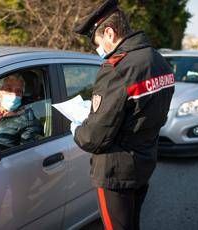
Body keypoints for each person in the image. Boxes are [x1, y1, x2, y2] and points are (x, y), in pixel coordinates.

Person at [72, 0, 175, 229]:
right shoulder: (157, 60)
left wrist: (77, 129)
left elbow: (94, 138)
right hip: (144, 162)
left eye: (97, 43)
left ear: (109, 32)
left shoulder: (117, 69)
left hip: (115, 172)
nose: (99, 50)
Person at [0, 73, 43, 149]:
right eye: (9, 89)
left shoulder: (29, 119)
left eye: (18, 91)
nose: (14, 95)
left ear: (22, 95)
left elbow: (27, 153)